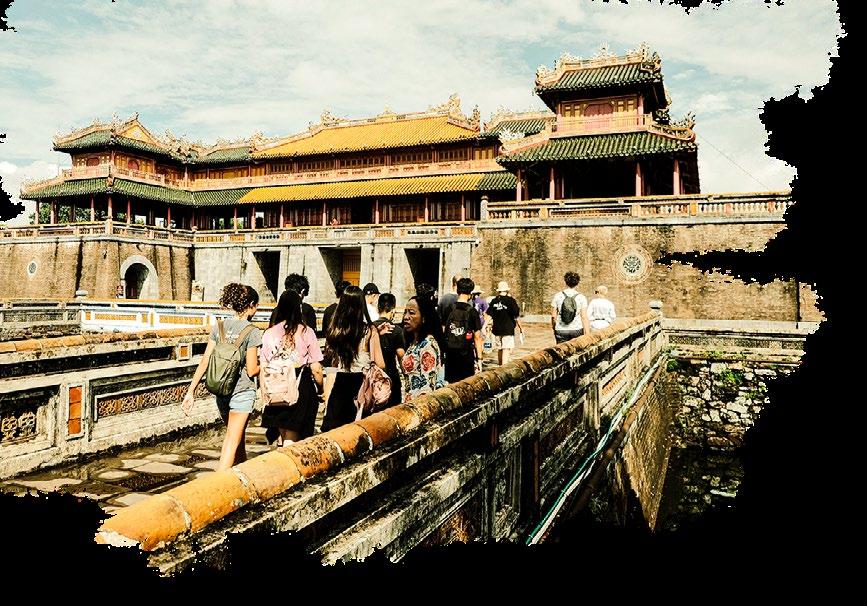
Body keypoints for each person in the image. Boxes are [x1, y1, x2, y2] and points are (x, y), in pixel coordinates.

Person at [182, 283, 261, 471]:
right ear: (251, 305)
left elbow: (205, 361)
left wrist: (191, 391)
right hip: (242, 391)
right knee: (232, 440)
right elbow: (252, 370)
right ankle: (218, 482)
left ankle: (242, 476)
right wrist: (265, 365)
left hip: (221, 390)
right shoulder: (252, 331)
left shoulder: (219, 327)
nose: (256, 310)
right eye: (256, 306)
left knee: (237, 439)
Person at [259, 290, 324, 446]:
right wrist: (321, 389)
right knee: (293, 433)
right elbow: (316, 368)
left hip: (275, 385)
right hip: (299, 384)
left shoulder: (269, 333)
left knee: (282, 432)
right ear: (298, 308)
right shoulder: (306, 332)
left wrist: (264, 392)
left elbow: (263, 366)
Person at [321, 285, 387, 431]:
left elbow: (332, 365)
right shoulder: (369, 331)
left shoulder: (336, 330)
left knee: (336, 431)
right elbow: (380, 363)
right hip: (361, 385)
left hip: (340, 384)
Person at [401, 294, 445, 402]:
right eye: (405, 312)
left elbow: (427, 387)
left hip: (418, 406)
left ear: (424, 318)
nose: (406, 317)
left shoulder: (427, 345)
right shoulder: (414, 343)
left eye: (412, 313)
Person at [442, 277, 484, 382]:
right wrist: (479, 359)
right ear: (470, 294)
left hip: (450, 354)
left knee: (451, 384)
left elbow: (443, 331)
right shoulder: (472, 312)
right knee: (466, 384)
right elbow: (477, 338)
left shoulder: (449, 309)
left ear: (457, 291)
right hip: (466, 355)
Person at [373, 293, 407, 406]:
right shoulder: (396, 330)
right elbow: (400, 354)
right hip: (391, 376)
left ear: (378, 308)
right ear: (393, 310)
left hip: (373, 376)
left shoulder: (371, 328)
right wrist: (405, 374)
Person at [485, 281, 523, 366]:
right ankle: (503, 368)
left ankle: (500, 366)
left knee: (500, 349)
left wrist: (484, 326)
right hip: (508, 329)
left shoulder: (494, 301)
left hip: (497, 329)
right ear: (507, 290)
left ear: (498, 291)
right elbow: (516, 316)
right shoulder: (511, 301)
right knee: (506, 349)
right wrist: (521, 328)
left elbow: (489, 315)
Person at [550, 271, 590, 343]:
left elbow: (553, 316)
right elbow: (584, 317)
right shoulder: (581, 297)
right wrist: (587, 333)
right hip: (577, 329)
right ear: (577, 283)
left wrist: (554, 327)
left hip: (561, 329)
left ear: (565, 281)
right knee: (577, 349)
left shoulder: (558, 296)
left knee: (561, 349)